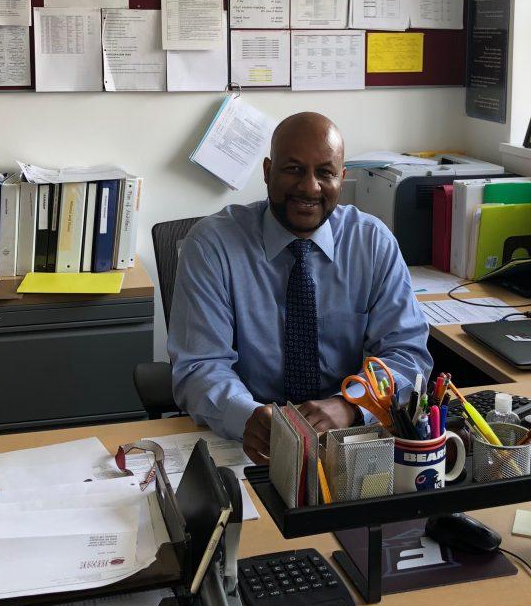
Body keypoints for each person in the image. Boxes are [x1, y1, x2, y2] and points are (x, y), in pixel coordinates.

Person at [166, 112, 432, 464]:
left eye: (325, 173)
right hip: (246, 444)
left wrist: (352, 403)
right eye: (293, 169)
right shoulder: (213, 246)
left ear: (342, 178)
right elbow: (200, 365)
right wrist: (247, 416)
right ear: (267, 171)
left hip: (347, 440)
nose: (309, 188)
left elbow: (407, 355)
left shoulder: (372, 243)